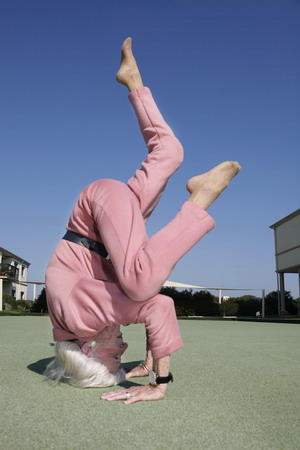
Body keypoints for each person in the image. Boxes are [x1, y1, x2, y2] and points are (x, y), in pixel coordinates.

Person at [44, 37, 241, 404]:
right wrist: (150, 354)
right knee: (169, 153)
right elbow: (134, 304)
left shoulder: (81, 319)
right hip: (110, 221)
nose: (122, 348)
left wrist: (160, 380)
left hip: (98, 215)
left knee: (141, 283)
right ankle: (133, 80)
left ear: (87, 350)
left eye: (114, 356)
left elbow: (155, 305)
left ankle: (202, 198)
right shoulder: (71, 325)